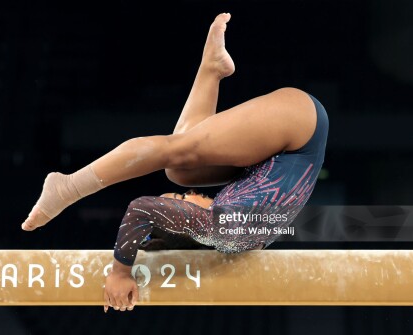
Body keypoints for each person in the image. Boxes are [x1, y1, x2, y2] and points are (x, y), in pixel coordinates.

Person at [21, 13, 329, 312]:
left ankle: (211, 69)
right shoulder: (222, 229)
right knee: (175, 151)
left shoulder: (231, 235)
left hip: (287, 145)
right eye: (182, 202)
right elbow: (141, 209)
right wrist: (120, 272)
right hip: (298, 130)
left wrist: (151, 256)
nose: (192, 199)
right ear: (189, 227)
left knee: (178, 171)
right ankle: (68, 187)